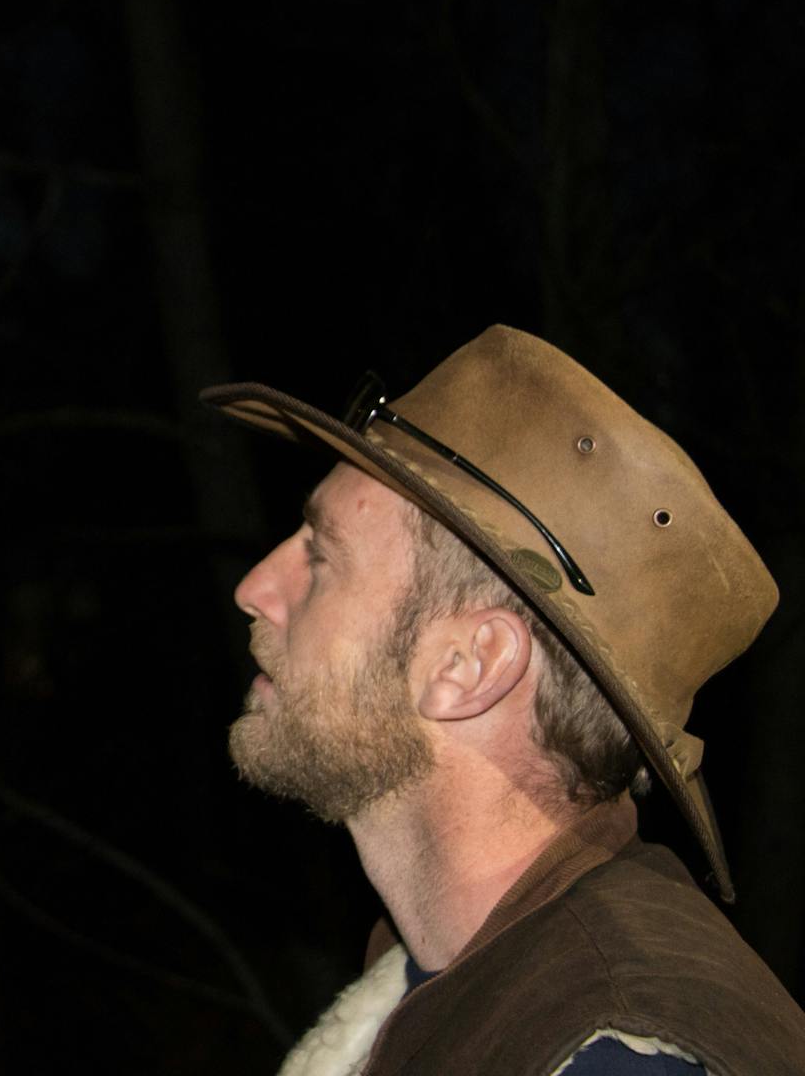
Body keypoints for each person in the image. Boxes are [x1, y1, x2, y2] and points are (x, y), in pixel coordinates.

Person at [201, 325, 805, 1075]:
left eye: (321, 557)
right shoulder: (451, 969)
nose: (255, 589)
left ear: (469, 665)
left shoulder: (621, 1054)